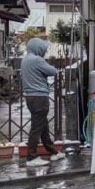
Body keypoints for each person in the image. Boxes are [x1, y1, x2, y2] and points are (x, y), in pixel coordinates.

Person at [21, 38, 64, 167]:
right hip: (39, 97)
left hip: (30, 96)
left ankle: (53, 152)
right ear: (37, 48)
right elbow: (53, 71)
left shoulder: (26, 60)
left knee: (43, 125)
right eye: (43, 48)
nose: (44, 51)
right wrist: (50, 65)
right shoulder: (36, 60)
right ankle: (31, 157)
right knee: (37, 127)